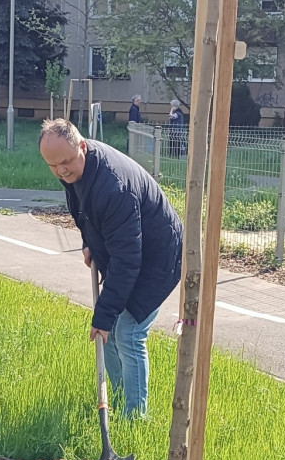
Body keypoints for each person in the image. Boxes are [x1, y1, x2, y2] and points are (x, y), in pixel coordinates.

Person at [38, 118, 182, 417]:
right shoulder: (77, 171)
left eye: (65, 162)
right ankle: (114, 404)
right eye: (53, 166)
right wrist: (89, 242)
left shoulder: (112, 186)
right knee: (112, 330)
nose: (61, 171)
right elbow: (87, 214)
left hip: (158, 256)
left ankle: (134, 418)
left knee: (127, 331)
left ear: (82, 146)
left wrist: (103, 315)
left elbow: (128, 259)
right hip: (131, 251)